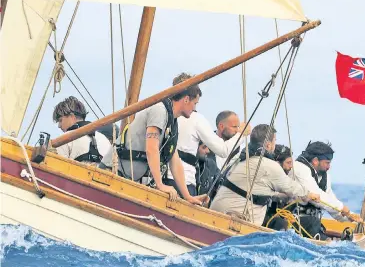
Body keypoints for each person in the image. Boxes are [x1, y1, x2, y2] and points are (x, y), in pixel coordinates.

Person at [99, 73, 207, 205]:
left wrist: (188, 196)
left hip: (129, 179)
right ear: (186, 99)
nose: (195, 108)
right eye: (195, 103)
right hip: (113, 173)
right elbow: (151, 148)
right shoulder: (160, 111)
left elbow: (175, 160)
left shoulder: (172, 122)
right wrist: (160, 185)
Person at [210, 124, 320, 226]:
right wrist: (308, 194)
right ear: (268, 144)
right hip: (235, 217)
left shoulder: (239, 159)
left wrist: (284, 196)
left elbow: (259, 188)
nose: (274, 145)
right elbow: (290, 187)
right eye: (274, 141)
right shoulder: (269, 166)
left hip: (216, 210)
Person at [165, 108, 251, 197]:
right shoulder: (203, 142)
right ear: (221, 126)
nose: (237, 130)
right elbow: (223, 150)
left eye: (238, 127)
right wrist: (241, 135)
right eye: (234, 127)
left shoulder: (237, 153)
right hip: (183, 182)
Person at [290, 141, 362, 225]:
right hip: (292, 221)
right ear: (315, 161)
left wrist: (350, 217)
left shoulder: (324, 175)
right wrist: (341, 207)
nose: (329, 167)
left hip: (312, 223)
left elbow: (330, 199)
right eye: (327, 163)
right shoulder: (299, 168)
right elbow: (316, 195)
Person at [52, 96, 111, 167]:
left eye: (60, 120)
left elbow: (58, 167)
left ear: (72, 116)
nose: (59, 125)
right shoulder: (104, 139)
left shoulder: (65, 139)